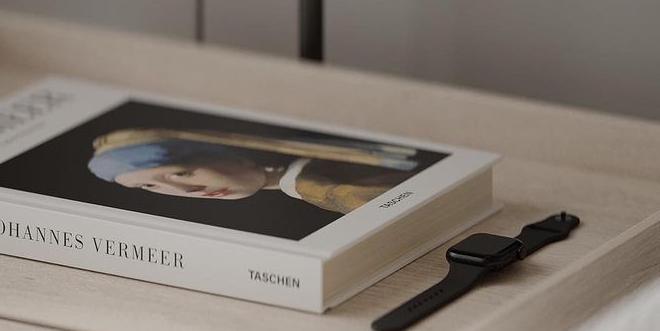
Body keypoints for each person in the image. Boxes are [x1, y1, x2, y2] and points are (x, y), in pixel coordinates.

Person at [87, 126, 423, 215]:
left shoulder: (336, 189)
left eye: (183, 172)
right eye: (150, 187)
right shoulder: (310, 186)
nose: (186, 193)